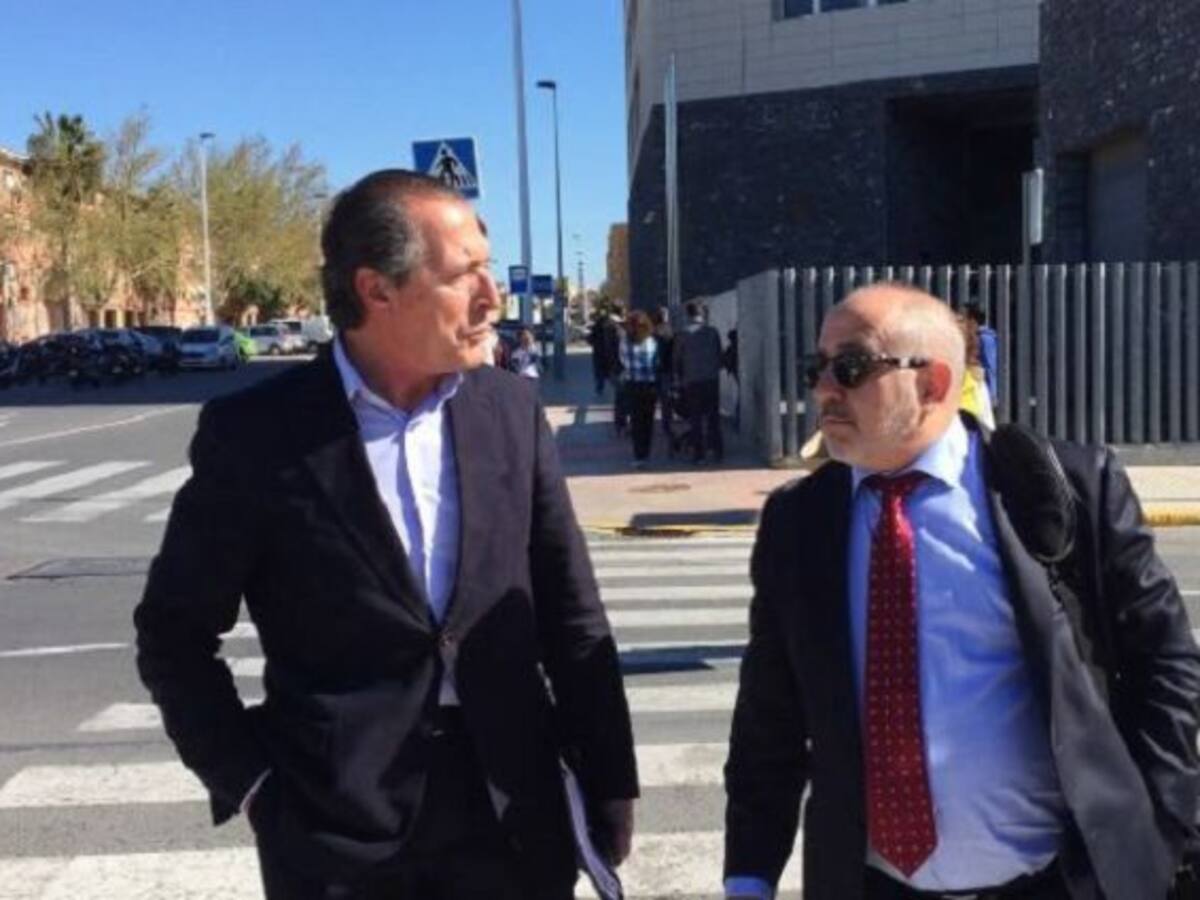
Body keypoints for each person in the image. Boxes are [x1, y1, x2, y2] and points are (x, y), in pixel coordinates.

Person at [134, 170, 638, 900]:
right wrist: (255, 788)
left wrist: (611, 780)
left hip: (513, 817)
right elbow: (173, 636)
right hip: (337, 836)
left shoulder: (510, 412)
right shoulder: (257, 435)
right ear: (377, 290)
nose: (491, 297)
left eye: (488, 269)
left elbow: (572, 615)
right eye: (462, 275)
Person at [724, 282, 1200, 900]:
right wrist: (749, 874)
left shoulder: (1061, 488)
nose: (823, 390)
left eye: (851, 367)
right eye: (817, 367)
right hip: (874, 885)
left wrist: (1161, 827)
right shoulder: (799, 521)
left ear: (933, 383)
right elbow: (770, 712)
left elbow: (1165, 663)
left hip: (1055, 884)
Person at [674, 301, 724, 463]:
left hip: (692, 381)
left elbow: (677, 359)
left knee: (695, 418)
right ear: (702, 314)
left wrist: (679, 378)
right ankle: (717, 450)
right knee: (713, 416)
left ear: (688, 314)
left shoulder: (682, 334)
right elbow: (719, 354)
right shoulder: (712, 332)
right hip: (711, 379)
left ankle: (699, 454)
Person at [620, 309, 659, 469]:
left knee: (636, 421)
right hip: (650, 385)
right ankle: (646, 453)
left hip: (632, 384)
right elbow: (656, 361)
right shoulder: (652, 341)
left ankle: (639, 456)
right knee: (648, 420)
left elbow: (622, 360)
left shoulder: (625, 341)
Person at [651, 307, 677, 452]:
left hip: (654, 371)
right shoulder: (671, 332)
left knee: (651, 400)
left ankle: (650, 426)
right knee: (666, 402)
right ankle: (667, 426)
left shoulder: (652, 333)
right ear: (666, 317)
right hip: (667, 370)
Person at [588, 306, 621, 397]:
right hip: (611, 353)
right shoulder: (613, 325)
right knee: (611, 373)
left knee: (600, 374)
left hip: (599, 354)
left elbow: (590, 339)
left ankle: (599, 389)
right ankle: (618, 388)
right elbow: (617, 340)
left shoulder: (596, 326)